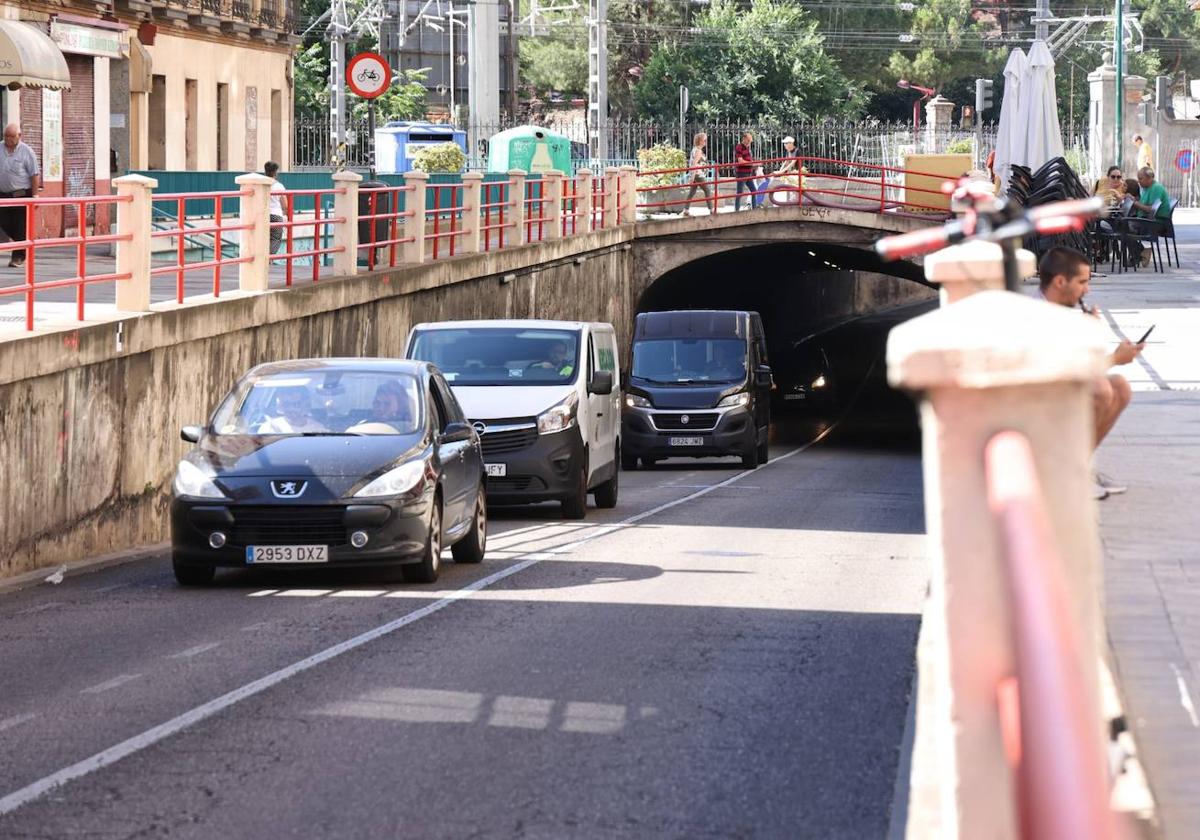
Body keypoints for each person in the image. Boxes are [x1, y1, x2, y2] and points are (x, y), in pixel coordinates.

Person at [1037, 247, 1143, 499]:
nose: (1087, 290)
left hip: (1052, 392)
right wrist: (1115, 358)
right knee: (1101, 389)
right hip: (1032, 401)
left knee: (1120, 387)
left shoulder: (1058, 309)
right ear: (1060, 281)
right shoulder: (1039, 315)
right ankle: (1065, 475)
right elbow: (1068, 371)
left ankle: (1077, 469)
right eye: (1083, 282)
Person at [0, 124, 41, 267]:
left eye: (11, 136)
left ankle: (18, 257)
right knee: (4, 222)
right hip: (3, 195)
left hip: (21, 195)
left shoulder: (26, 152)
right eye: (6, 136)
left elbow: (34, 175)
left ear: (19, 136)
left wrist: (35, 196)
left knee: (20, 226)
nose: (8, 139)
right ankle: (22, 243)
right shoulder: (0, 148)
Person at [1128, 167, 1172, 267]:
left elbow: (1150, 209)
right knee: (1122, 224)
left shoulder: (1156, 188)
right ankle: (1140, 252)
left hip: (1157, 223)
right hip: (1148, 220)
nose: (1138, 182)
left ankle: (1139, 253)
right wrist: (1133, 199)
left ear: (1150, 178)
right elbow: (1143, 203)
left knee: (1123, 226)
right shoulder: (1147, 188)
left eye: (1140, 179)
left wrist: (1134, 203)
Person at [256, 388, 327, 434]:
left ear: (306, 405)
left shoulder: (318, 429)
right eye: (286, 404)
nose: (291, 409)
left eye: (296, 404)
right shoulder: (269, 428)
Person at [763, 136, 805, 205]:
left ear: (790, 144)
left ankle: (796, 202)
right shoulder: (788, 151)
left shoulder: (797, 151)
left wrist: (781, 172)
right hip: (792, 172)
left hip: (798, 172)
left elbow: (792, 162)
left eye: (785, 143)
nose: (784, 145)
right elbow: (786, 162)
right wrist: (780, 170)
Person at [681, 132, 715, 215]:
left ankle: (686, 209)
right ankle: (711, 209)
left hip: (697, 174)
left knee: (692, 192)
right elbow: (694, 164)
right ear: (700, 141)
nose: (706, 142)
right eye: (704, 140)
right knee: (707, 190)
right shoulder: (698, 151)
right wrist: (692, 177)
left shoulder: (695, 149)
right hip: (698, 174)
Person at [264, 160, 286, 255]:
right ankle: (269, 258)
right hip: (276, 215)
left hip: (264, 215)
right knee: (276, 239)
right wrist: (286, 214)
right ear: (275, 172)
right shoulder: (279, 186)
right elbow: (285, 204)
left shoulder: (262, 185)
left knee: (264, 239)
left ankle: (263, 259)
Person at [734, 133, 755, 211]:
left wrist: (753, 164)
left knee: (754, 191)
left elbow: (748, 159)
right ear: (744, 138)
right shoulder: (739, 147)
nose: (749, 142)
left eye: (750, 141)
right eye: (748, 140)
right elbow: (740, 161)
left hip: (748, 172)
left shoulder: (748, 147)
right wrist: (751, 163)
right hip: (742, 173)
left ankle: (754, 208)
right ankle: (736, 210)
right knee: (740, 192)